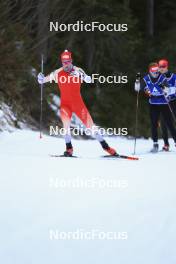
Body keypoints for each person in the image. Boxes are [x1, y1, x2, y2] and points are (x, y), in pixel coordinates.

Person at [37, 50, 117, 157]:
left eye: (68, 61)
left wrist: (80, 75)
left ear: (71, 61)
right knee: (66, 127)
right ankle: (69, 149)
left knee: (91, 127)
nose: (66, 64)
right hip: (65, 105)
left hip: (79, 105)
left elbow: (89, 80)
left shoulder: (78, 70)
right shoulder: (57, 72)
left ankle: (107, 148)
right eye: (64, 62)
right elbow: (43, 80)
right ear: (61, 62)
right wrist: (40, 78)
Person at [135, 62, 176, 152]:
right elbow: (138, 89)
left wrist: (164, 89)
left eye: (157, 71)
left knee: (169, 124)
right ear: (150, 71)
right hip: (153, 104)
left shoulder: (162, 78)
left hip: (164, 103)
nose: (156, 73)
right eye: (153, 71)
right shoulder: (146, 79)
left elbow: (168, 90)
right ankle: (155, 144)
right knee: (154, 124)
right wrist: (137, 82)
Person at [158, 59, 176, 151]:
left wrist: (168, 91)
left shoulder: (173, 77)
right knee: (163, 123)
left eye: (163, 67)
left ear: (167, 67)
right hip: (162, 103)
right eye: (160, 67)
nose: (161, 69)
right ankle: (166, 144)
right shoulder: (158, 77)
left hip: (173, 101)